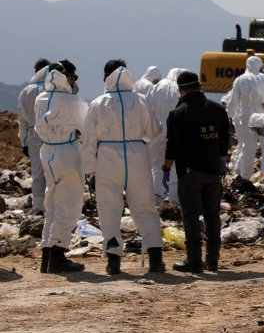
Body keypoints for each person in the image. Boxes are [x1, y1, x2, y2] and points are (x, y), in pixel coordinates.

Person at [85, 61, 164, 275]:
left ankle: (113, 260)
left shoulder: (97, 103)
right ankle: (156, 259)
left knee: (109, 209)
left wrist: (89, 169)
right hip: (137, 154)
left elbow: (89, 140)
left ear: (105, 77)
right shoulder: (141, 100)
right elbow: (154, 131)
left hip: (108, 158)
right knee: (145, 207)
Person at [164, 70, 232, 272]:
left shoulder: (178, 113)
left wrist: (166, 169)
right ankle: (213, 261)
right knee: (212, 216)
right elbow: (225, 138)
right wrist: (222, 161)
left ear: (180, 90)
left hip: (189, 172)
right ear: (200, 86)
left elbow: (172, 145)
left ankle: (194, 261)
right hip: (213, 170)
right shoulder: (217, 109)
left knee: (191, 216)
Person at [34, 63, 90, 273]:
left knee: (52, 204)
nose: (75, 81)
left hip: (47, 152)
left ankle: (47, 254)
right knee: (69, 204)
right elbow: (87, 128)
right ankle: (58, 254)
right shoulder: (71, 100)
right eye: (73, 76)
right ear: (63, 76)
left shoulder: (41, 98)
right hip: (67, 153)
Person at [225, 56, 264, 182]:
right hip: (262, 116)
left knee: (247, 146)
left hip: (245, 116)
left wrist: (230, 116)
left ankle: (246, 176)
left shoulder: (239, 80)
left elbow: (233, 101)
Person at [17, 59, 54, 216]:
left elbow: (22, 120)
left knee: (37, 171)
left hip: (33, 135)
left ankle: (38, 206)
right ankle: (53, 205)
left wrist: (24, 142)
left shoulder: (26, 91)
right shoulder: (51, 89)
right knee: (52, 170)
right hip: (52, 134)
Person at [147, 68, 183, 204]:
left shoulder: (156, 87)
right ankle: (174, 198)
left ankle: (156, 196)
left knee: (155, 165)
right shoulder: (179, 88)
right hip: (175, 132)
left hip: (157, 131)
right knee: (175, 165)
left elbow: (148, 108)